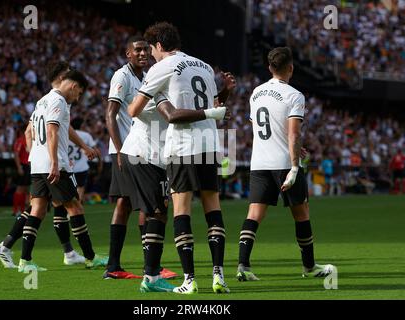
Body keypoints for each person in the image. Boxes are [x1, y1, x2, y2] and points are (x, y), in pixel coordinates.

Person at [128, 22, 235, 294]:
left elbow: (133, 110)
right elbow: (213, 106)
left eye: (151, 48)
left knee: (181, 209)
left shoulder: (160, 68)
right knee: (213, 207)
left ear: (159, 45)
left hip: (183, 146)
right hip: (210, 143)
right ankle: (219, 275)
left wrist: (155, 95)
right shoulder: (204, 66)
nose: (150, 54)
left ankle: (189, 280)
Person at [236, 47, 335, 282]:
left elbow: (260, 130)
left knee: (254, 214)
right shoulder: (295, 95)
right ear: (291, 67)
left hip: (260, 162)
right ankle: (309, 267)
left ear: (270, 68)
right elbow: (293, 134)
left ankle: (243, 266)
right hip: (284, 164)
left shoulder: (256, 93)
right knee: (301, 214)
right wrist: (294, 164)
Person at [0, 62, 95, 269]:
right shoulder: (59, 100)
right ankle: (88, 256)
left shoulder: (42, 101)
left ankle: (21, 256)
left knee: (37, 209)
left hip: (39, 162)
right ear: (63, 79)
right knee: (71, 206)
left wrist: (36, 152)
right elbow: (52, 131)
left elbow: (31, 131)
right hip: (52, 163)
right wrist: (54, 159)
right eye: (68, 74)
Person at [103, 36, 173, 280]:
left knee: (135, 203)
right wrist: (120, 149)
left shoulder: (144, 77)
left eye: (146, 49)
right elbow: (110, 114)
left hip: (139, 149)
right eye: (138, 50)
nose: (143, 53)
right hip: (126, 150)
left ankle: (143, 265)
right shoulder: (122, 76)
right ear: (128, 54)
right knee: (131, 203)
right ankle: (118, 266)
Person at [68, 117, 100, 203]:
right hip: (82, 167)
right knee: (80, 188)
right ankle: (78, 208)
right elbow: (95, 151)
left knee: (68, 190)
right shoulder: (86, 135)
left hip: (68, 166)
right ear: (81, 125)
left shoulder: (66, 134)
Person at [12, 122, 30, 216]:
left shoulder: (28, 140)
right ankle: (16, 210)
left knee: (26, 189)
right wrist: (19, 167)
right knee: (20, 188)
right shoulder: (20, 140)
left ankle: (22, 209)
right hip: (24, 166)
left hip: (29, 166)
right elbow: (16, 154)